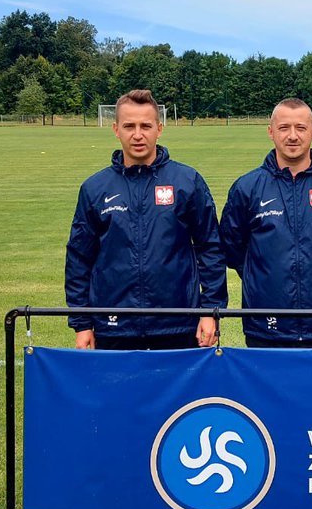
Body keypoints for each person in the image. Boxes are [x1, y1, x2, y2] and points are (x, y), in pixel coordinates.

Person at [65, 89, 226, 350]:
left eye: (146, 126)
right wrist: (82, 323)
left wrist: (211, 312)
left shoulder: (187, 181)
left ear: (159, 129)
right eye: (129, 126)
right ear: (116, 129)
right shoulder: (95, 188)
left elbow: (211, 249)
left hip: (179, 324)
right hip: (114, 327)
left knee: (184, 393)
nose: (138, 135)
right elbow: (79, 258)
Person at [219, 98, 312, 348]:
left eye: (301, 128)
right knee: (264, 389)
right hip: (265, 326)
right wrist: (262, 277)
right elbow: (232, 250)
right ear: (271, 132)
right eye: (284, 128)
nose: (293, 136)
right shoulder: (247, 188)